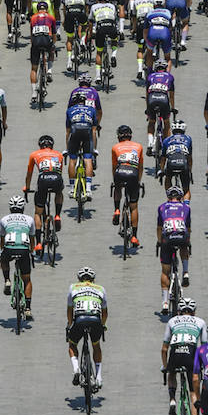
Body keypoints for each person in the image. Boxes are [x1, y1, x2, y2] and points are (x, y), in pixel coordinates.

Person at [161, 297, 207, 415]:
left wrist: (165, 366)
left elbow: (164, 349)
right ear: (194, 311)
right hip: (191, 352)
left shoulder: (172, 321)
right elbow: (204, 347)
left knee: (172, 374)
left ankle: (172, 400)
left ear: (179, 311)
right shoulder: (200, 322)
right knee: (193, 391)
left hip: (175, 352)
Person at [66, 266, 107, 387]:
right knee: (96, 345)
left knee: (72, 344)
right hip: (95, 320)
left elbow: (70, 310)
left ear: (79, 279)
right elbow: (105, 313)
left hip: (80, 319)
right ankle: (99, 377)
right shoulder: (101, 289)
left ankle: (76, 369)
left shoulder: (73, 287)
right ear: (93, 279)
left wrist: (69, 325)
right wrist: (103, 325)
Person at [23, 133, 64, 252]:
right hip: (56, 178)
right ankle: (57, 215)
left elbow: (29, 173)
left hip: (43, 179)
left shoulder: (34, 154)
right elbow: (59, 172)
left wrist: (27, 187)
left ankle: (39, 244)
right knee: (59, 192)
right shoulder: (59, 154)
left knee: (37, 213)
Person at [0, 194, 36, 317]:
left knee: (3, 260)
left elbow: (2, 240)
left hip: (9, 248)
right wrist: (32, 251)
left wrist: (1, 251)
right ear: (23, 207)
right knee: (27, 279)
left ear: (10, 208)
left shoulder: (4, 219)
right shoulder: (29, 219)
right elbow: (32, 239)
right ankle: (28, 308)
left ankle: (7, 280)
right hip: (24, 250)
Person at [156, 186, 191, 312]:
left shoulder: (161, 207)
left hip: (167, 238)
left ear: (168, 197)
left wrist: (159, 242)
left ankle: (165, 303)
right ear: (181, 197)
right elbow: (188, 228)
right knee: (184, 245)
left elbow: (159, 228)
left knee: (165, 271)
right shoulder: (186, 208)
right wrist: (188, 242)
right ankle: (185, 272)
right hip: (181, 236)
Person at [111, 123, 143, 251]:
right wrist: (138, 181)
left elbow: (114, 166)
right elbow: (140, 167)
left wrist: (115, 181)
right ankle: (134, 236)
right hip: (133, 173)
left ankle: (116, 210)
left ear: (119, 137)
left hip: (120, 172)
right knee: (133, 206)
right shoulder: (138, 146)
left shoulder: (115, 147)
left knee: (118, 188)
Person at [65, 88, 98, 197]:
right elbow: (94, 131)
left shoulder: (70, 110)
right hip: (87, 134)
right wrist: (94, 148)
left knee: (72, 160)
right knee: (88, 159)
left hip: (75, 134)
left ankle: (71, 188)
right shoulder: (91, 110)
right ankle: (88, 189)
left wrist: (67, 148)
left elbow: (68, 131)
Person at [29, 0, 57, 102]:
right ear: (46, 9)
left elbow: (31, 36)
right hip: (46, 40)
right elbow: (54, 34)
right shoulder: (51, 17)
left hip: (36, 41)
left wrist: (34, 46)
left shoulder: (33, 18)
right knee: (51, 51)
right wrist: (53, 45)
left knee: (34, 69)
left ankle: (34, 93)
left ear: (37, 9)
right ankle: (49, 71)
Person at [145, 59, 175, 153]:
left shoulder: (150, 76)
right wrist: (173, 108)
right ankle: (167, 146)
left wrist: (147, 108)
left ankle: (150, 143)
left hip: (152, 99)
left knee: (151, 122)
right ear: (165, 68)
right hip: (163, 100)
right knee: (166, 122)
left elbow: (147, 94)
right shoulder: (169, 76)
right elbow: (171, 96)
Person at [159, 117, 193, 197]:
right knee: (186, 189)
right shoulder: (188, 139)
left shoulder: (166, 140)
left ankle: (169, 198)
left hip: (171, 164)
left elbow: (163, 158)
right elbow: (189, 157)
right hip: (183, 164)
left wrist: (161, 170)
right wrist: (190, 170)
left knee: (168, 178)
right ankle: (186, 203)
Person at [89, 0, 119, 71]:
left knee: (99, 52)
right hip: (111, 25)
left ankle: (98, 75)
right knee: (114, 41)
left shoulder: (94, 6)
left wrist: (91, 34)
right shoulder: (112, 6)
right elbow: (115, 19)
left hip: (100, 26)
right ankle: (113, 55)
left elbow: (91, 21)